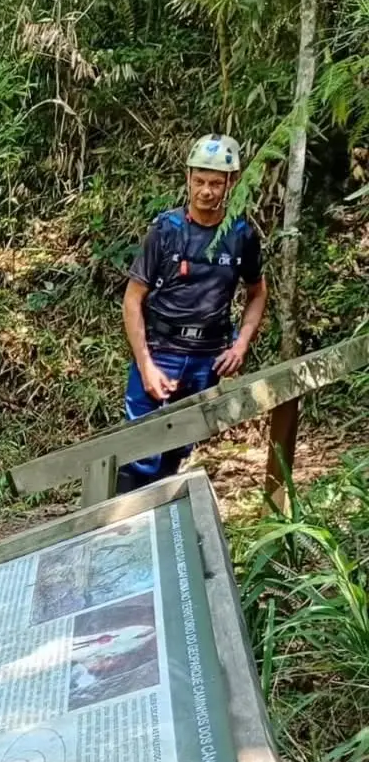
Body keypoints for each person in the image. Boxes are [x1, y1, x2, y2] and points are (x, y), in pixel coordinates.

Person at [117, 134, 268, 494]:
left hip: (207, 359)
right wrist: (146, 365)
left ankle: (163, 522)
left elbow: (257, 292)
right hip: (161, 351)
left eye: (215, 183)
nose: (206, 191)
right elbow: (133, 300)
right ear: (188, 178)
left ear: (231, 182)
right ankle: (121, 523)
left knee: (179, 449)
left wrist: (240, 345)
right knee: (137, 451)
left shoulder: (240, 235)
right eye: (199, 181)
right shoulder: (166, 231)